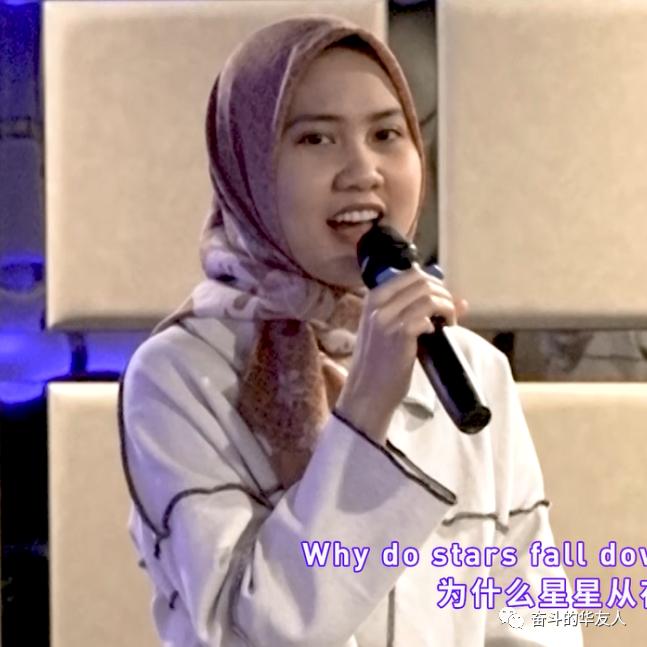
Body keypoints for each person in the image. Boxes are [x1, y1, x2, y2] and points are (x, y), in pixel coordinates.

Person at [119, 15, 583, 647]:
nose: (363, 170)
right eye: (316, 139)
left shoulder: (472, 370)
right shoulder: (178, 374)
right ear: (248, 167)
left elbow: (534, 620)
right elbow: (247, 633)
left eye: (387, 134)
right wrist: (364, 407)